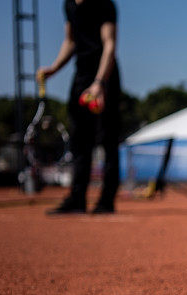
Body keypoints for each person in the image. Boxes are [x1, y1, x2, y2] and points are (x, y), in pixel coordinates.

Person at [41, 0, 121, 214]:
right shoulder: (69, 5)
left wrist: (100, 83)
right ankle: (77, 199)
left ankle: (106, 200)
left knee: (108, 140)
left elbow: (109, 44)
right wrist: (55, 68)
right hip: (81, 75)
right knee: (79, 141)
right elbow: (70, 41)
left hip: (105, 76)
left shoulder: (104, 5)